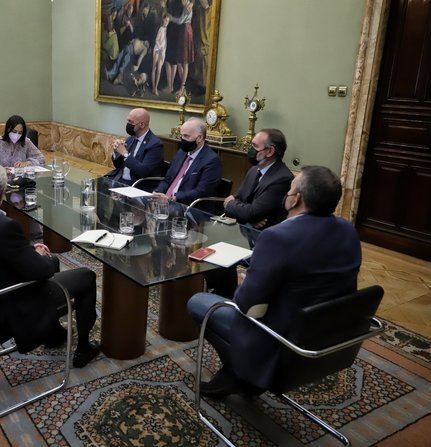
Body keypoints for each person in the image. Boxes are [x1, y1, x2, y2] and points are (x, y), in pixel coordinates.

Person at [188, 166, 361, 396]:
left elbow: (246, 304)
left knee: (198, 302)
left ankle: (241, 373)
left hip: (278, 336)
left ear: (296, 199)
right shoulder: (348, 232)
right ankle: (243, 373)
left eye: (290, 190)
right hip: (327, 334)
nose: (286, 195)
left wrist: (244, 283)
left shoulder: (277, 237)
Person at [0, 161, 101, 367]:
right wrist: (40, 256)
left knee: (50, 260)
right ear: (1, 191)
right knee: (85, 276)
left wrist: (32, 253)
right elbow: (42, 271)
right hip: (8, 303)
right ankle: (83, 348)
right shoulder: (3, 226)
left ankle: (52, 334)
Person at [223, 129, 294, 229]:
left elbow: (250, 212)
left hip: (265, 236)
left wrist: (230, 204)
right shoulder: (254, 170)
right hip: (245, 230)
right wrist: (249, 219)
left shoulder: (282, 179)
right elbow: (239, 200)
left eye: (255, 146)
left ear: (270, 151)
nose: (250, 149)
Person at [153, 118, 221, 205]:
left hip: (189, 206)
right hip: (166, 202)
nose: (182, 139)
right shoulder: (181, 152)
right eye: (181, 136)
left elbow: (200, 192)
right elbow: (167, 179)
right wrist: (157, 192)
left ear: (199, 137)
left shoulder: (211, 161)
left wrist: (174, 198)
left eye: (186, 136)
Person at [105, 108, 164, 186]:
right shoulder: (131, 138)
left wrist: (125, 153)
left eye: (131, 122)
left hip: (137, 185)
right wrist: (117, 151)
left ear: (142, 125)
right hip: (119, 180)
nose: (128, 124)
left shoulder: (155, 145)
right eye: (128, 121)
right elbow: (119, 166)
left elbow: (143, 171)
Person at [151, 14, 170, 96]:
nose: (166, 22)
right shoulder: (161, 29)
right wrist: (160, 48)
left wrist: (163, 50)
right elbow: (156, 40)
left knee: (159, 70)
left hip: (163, 51)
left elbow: (165, 42)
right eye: (165, 20)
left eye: (168, 21)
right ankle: (153, 88)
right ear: (163, 20)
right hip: (158, 50)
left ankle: (156, 86)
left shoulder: (167, 30)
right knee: (154, 68)